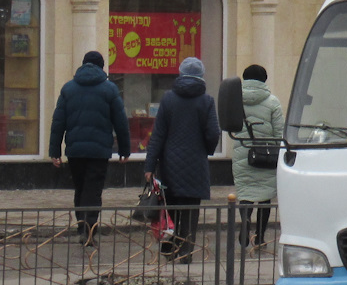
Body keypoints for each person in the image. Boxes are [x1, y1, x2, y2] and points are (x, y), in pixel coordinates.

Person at [143, 56, 221, 264]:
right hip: (195, 165)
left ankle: (169, 248)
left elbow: (157, 135)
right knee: (189, 212)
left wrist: (150, 166)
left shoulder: (169, 99)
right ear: (201, 77)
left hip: (170, 165)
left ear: (180, 74)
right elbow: (213, 133)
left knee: (170, 209)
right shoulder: (206, 101)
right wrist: (205, 150)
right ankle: (185, 253)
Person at [48, 50, 130, 244]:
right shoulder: (110, 89)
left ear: (83, 65)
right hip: (99, 151)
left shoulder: (68, 89)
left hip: (75, 150)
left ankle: (82, 225)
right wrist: (125, 150)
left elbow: (57, 122)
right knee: (93, 190)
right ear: (102, 67)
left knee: (80, 188)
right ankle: (89, 228)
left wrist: (54, 152)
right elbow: (121, 122)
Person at [234, 63, 283, 249]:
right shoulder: (273, 102)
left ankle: (245, 220)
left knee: (245, 194)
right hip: (266, 155)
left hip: (242, 153)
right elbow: (279, 133)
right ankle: (260, 237)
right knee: (265, 197)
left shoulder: (236, 100)